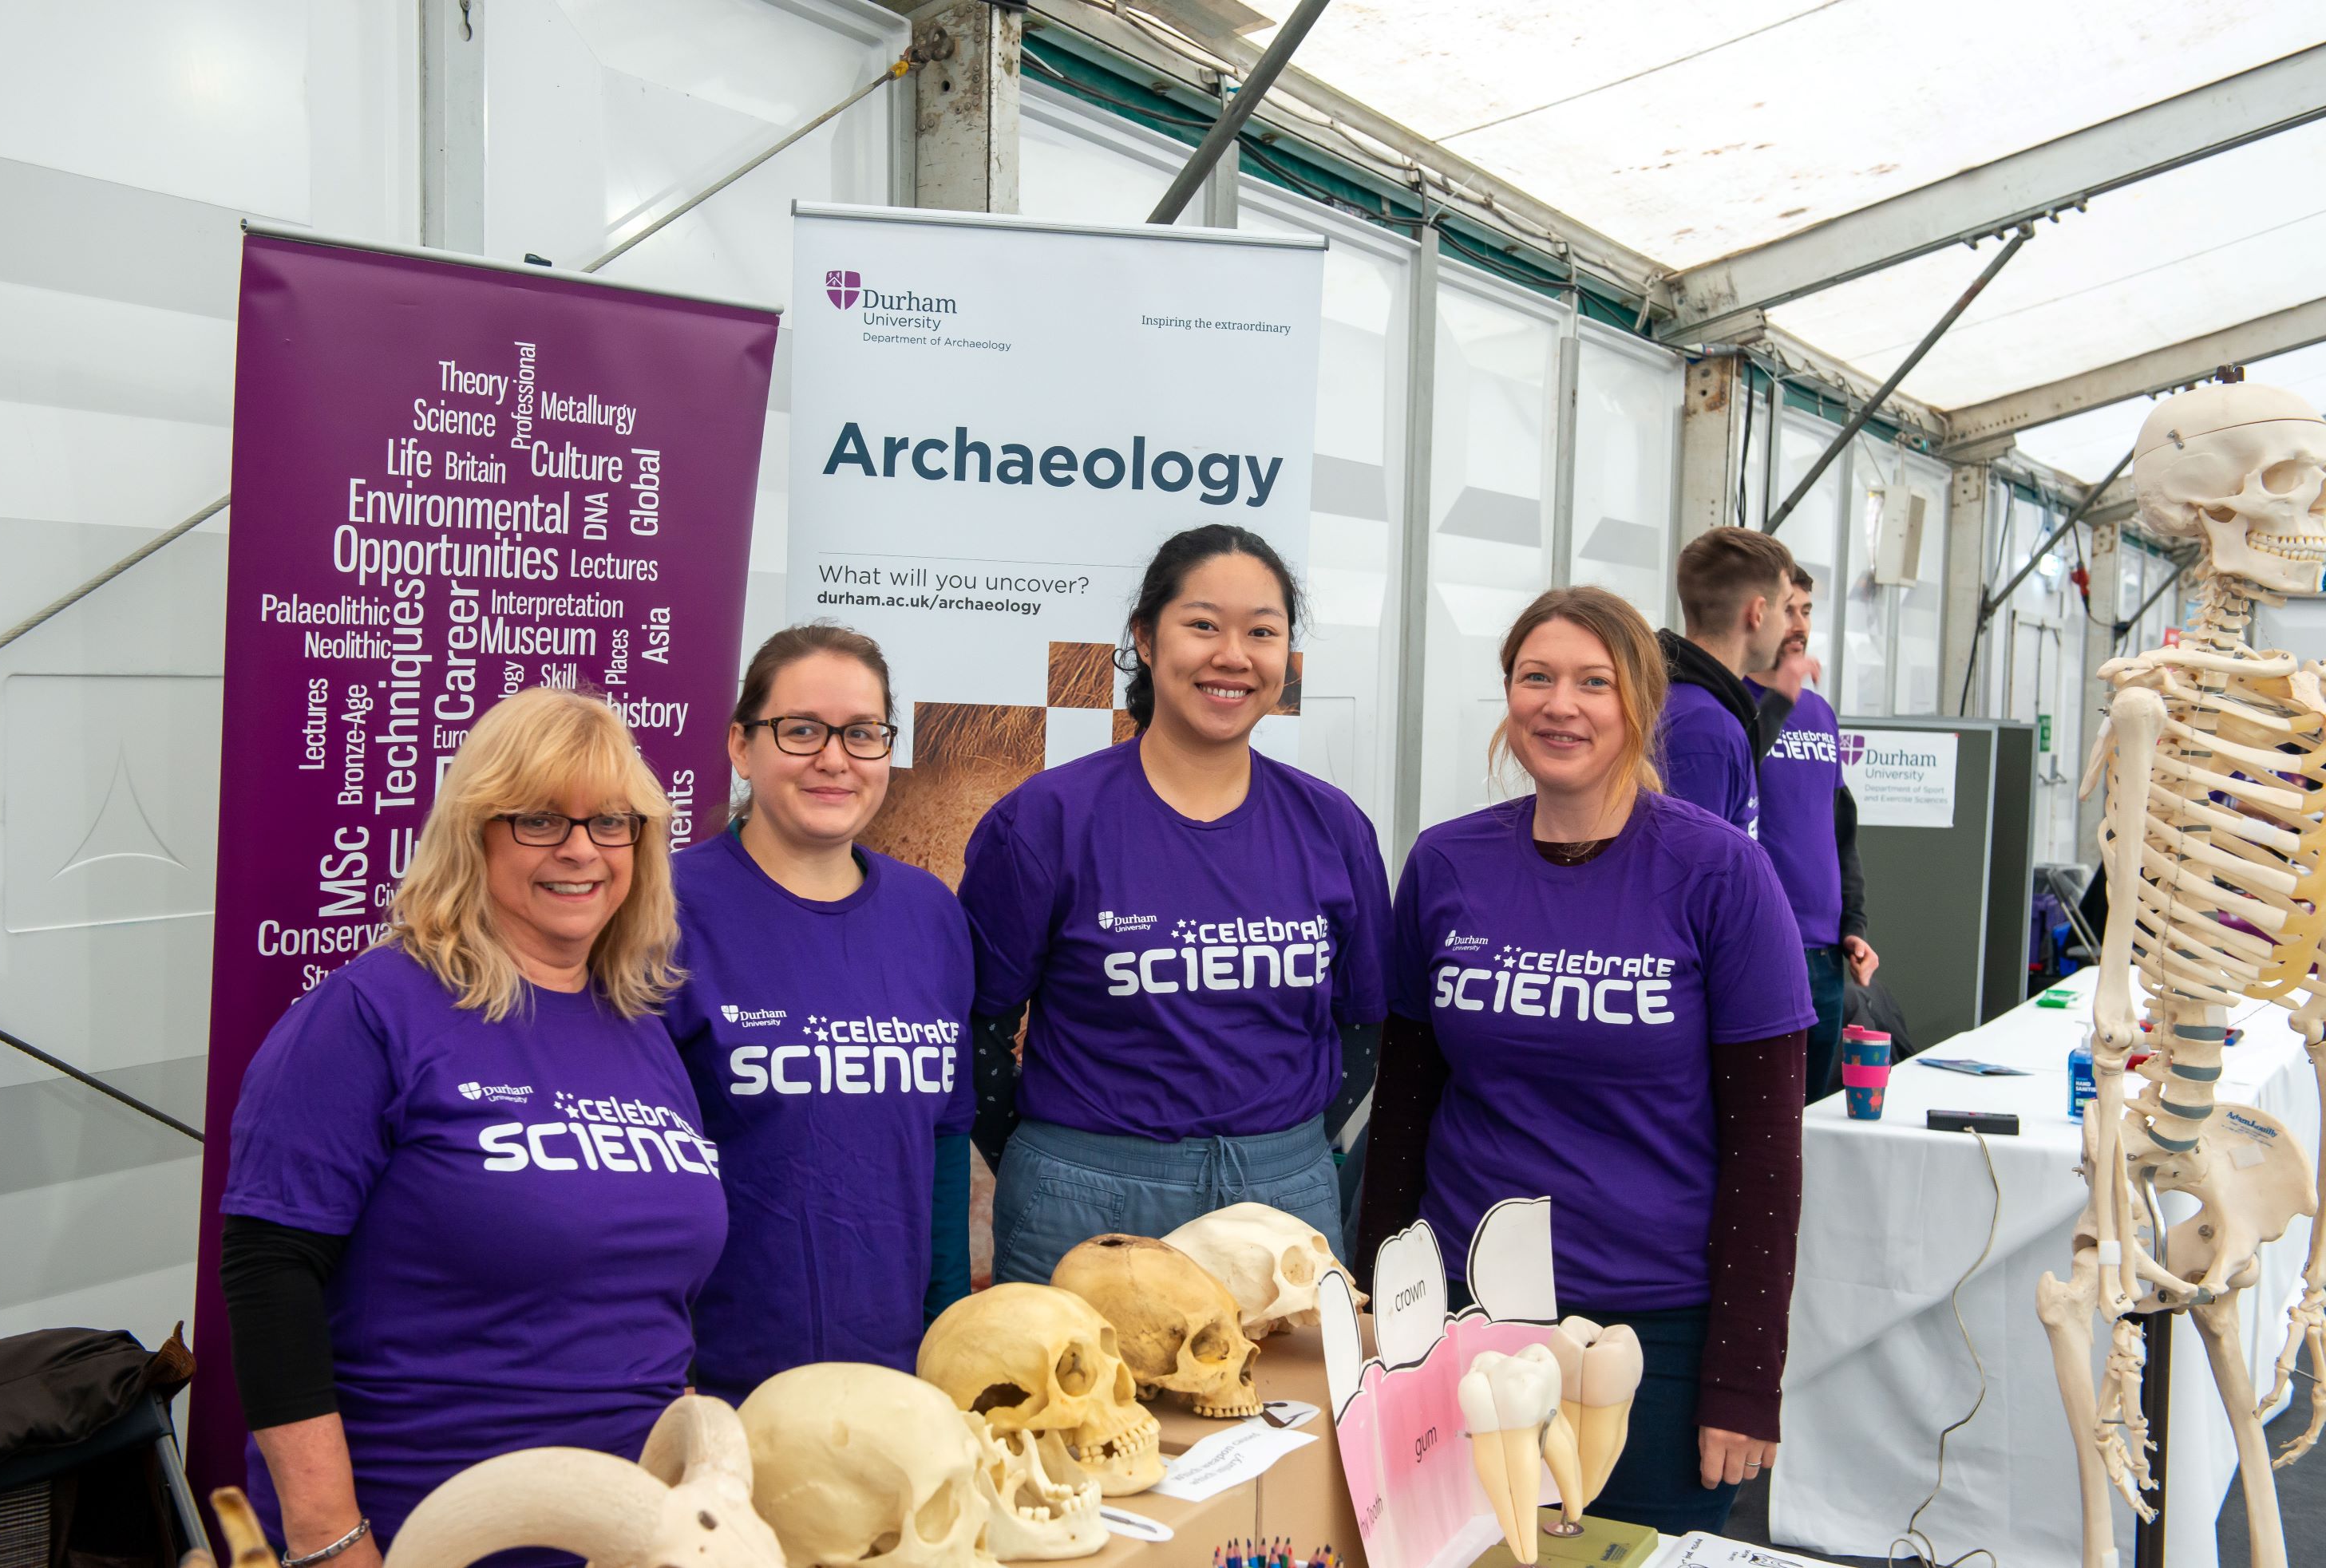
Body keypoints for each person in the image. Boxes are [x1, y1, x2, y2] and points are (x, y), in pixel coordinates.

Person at [219, 689, 725, 1568]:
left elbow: (648, 1297)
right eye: (539, 820)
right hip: (418, 1531)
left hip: (626, 1535)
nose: (581, 850)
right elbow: (270, 1277)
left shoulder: (638, 1027)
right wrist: (330, 1542)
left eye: (613, 823)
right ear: (474, 832)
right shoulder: (372, 1012)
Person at [1356, 585, 1813, 1536]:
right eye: (1536, 677)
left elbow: (1767, 1153)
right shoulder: (1446, 865)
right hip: (1463, 1320)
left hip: (1647, 1332)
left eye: (1593, 682)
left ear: (1641, 703)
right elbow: (1402, 1110)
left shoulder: (1721, 873)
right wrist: (1374, 1308)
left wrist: (1742, 1377)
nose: (1560, 704)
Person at [961, 523, 1392, 1285]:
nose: (1233, 655)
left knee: (1285, 1409)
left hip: (1283, 1206)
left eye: (1262, 631)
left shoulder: (1332, 826)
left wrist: (1290, 1154)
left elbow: (1361, 1024)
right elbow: (978, 1028)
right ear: (1146, 639)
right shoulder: (1047, 819)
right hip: (1086, 1207)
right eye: (1202, 625)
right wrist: (1053, 1161)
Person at [667, 624, 974, 1398]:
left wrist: (947, 1340)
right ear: (742, 746)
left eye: (862, 734)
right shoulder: (663, 910)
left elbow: (942, 1148)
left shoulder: (928, 915)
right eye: (801, 730)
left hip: (897, 1372)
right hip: (713, 1379)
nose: (834, 758)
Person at [1746, 569, 1879, 1100]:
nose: (1800, 624)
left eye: (1807, 611)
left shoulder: (1821, 713)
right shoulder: (1731, 705)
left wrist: (1854, 923)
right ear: (1757, 615)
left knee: (1809, 1119)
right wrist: (1777, 698)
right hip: (1763, 948)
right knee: (1762, 1117)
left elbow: (1838, 829)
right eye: (1789, 610)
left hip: (1825, 955)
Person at [1656, 526, 1795, 836]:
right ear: (1757, 613)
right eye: (1786, 608)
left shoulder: (1685, 702)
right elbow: (1693, 874)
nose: (1789, 626)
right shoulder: (1706, 728)